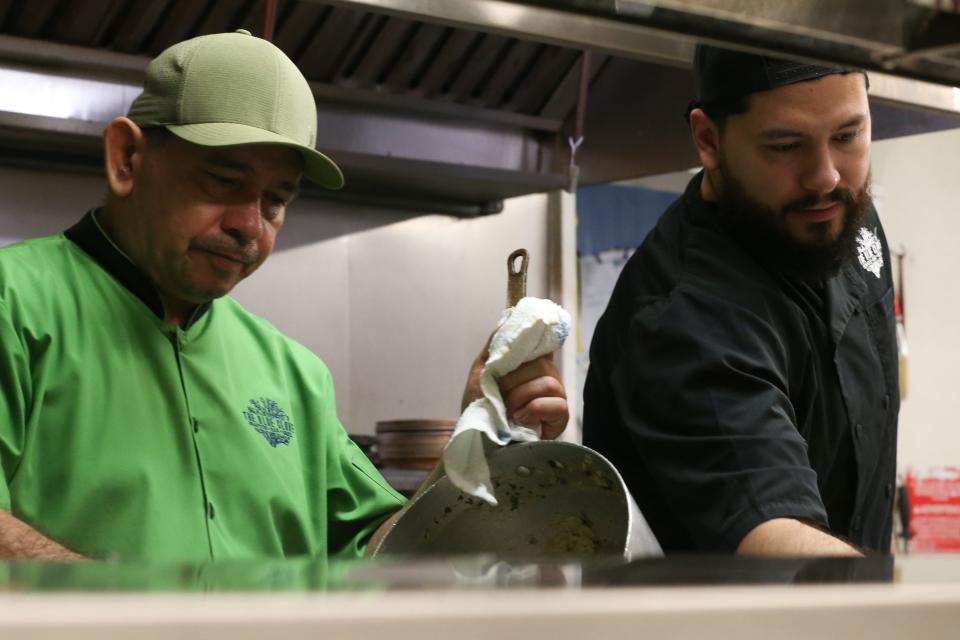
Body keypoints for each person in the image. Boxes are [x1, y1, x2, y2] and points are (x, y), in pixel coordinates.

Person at [0, 30, 568, 562]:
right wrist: (121, 616)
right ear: (127, 159)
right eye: (223, 181)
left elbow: (380, 552)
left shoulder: (293, 374)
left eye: (275, 200)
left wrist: (481, 443)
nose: (250, 225)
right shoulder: (14, 301)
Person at [583, 45, 898, 556]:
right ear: (709, 139)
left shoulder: (836, 211)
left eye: (847, 135)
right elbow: (777, 545)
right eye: (785, 145)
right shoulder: (683, 318)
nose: (826, 176)